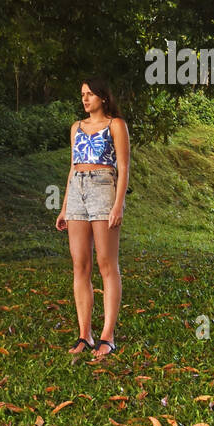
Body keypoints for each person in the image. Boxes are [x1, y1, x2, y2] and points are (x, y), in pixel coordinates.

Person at [56, 76, 130, 363]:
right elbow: (72, 167)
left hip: (103, 187)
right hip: (77, 189)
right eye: (82, 94)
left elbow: (123, 168)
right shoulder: (76, 128)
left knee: (106, 264)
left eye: (90, 94)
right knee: (80, 264)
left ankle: (107, 336)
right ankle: (84, 334)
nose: (85, 99)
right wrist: (64, 207)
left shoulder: (116, 125)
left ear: (103, 97)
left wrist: (118, 205)